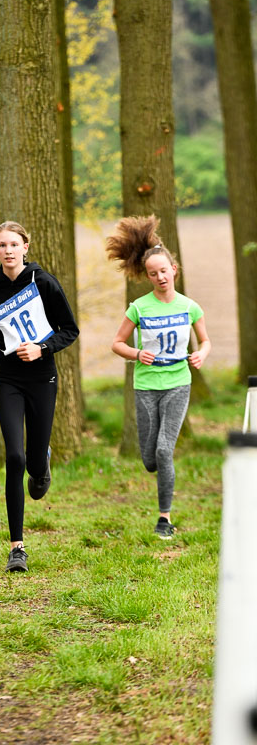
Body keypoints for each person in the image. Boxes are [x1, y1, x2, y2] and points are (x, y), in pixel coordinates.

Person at [0, 221, 79, 572]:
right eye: (2, 245)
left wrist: (43, 349)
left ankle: (42, 461)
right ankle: (17, 547)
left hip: (42, 376)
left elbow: (70, 330)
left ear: (26, 247)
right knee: (14, 456)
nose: (8, 250)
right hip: (9, 378)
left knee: (32, 462)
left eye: (14, 244)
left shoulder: (43, 282)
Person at [107, 215, 211, 538]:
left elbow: (205, 341)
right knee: (150, 458)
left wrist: (200, 354)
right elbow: (117, 344)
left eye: (164, 271)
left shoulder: (190, 307)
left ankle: (164, 518)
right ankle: (154, 468)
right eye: (153, 274)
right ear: (148, 277)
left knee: (166, 450)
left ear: (174, 270)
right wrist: (138, 354)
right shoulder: (139, 308)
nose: (160, 277)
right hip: (146, 386)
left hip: (178, 383)